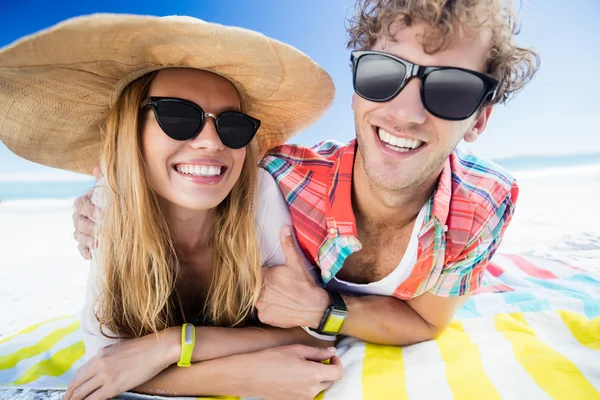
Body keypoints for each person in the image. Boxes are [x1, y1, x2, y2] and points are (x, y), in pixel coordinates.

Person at [76, 0, 540, 383]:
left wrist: (323, 309)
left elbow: (425, 322)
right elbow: (187, 175)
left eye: (453, 90)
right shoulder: (282, 179)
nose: (406, 112)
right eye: (383, 74)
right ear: (357, 89)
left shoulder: (483, 202)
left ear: (479, 118)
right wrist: (104, 203)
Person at [0, 14, 343, 400]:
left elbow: (315, 334)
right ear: (132, 131)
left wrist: (171, 345)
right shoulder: (108, 210)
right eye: (178, 116)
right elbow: (105, 365)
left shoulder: (257, 196)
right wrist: (240, 374)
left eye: (232, 125)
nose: (211, 142)